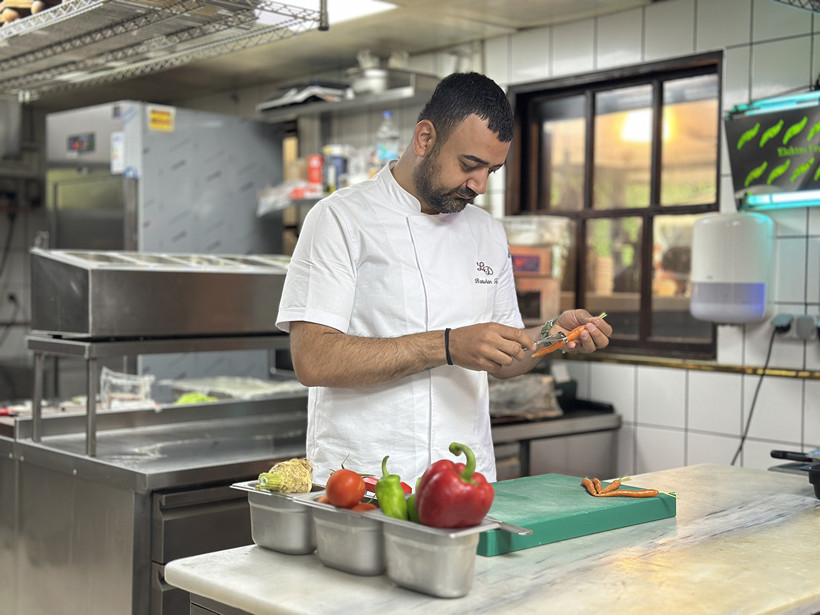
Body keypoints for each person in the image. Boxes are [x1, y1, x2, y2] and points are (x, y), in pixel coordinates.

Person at [276, 72, 612, 485]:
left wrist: (552, 335)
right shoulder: (340, 218)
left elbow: (503, 359)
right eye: (470, 165)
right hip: (364, 482)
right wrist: (448, 345)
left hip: (465, 483)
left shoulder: (487, 232)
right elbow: (313, 359)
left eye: (493, 170)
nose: (480, 185)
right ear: (424, 139)